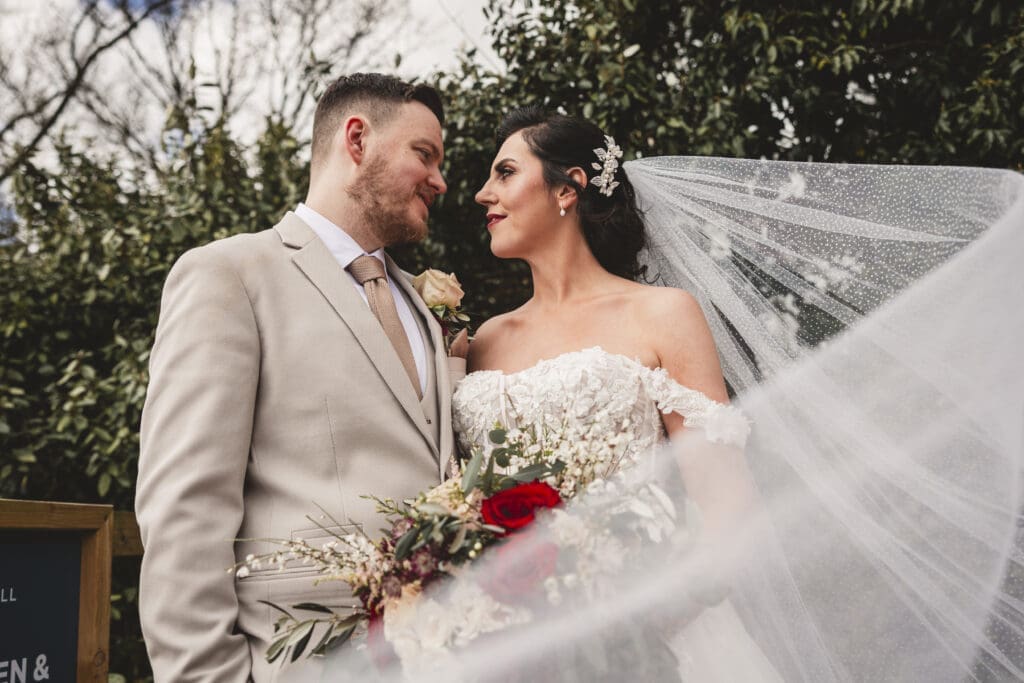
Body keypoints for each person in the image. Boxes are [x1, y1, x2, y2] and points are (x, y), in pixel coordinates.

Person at [436, 107, 1024, 681]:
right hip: (515, 647)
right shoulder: (483, 341)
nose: (482, 194)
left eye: (504, 173)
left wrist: (639, 624)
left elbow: (726, 504)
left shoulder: (662, 314)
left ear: (569, 188)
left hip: (654, 637)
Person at [136, 73, 462, 682]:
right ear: (358, 139)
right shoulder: (230, 274)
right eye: (426, 155)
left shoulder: (420, 306)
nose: (441, 181)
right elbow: (186, 511)